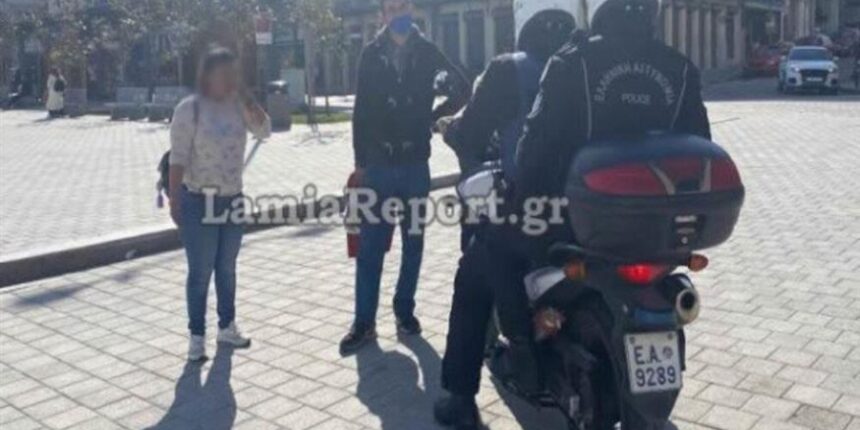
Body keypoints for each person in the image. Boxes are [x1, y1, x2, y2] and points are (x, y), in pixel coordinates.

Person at [433, 6, 579, 429]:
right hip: (590, 215)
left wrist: (449, 129)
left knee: (474, 275)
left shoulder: (508, 70)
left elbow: (471, 133)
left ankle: (462, 398)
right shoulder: (588, 67)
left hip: (532, 214)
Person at [340, 0, 470, 355]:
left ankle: (404, 310)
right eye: (391, 8)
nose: (398, 14)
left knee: (413, 243)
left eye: (403, 6)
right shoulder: (371, 54)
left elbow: (462, 87)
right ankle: (363, 322)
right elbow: (360, 112)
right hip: (378, 166)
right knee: (370, 246)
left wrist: (433, 118)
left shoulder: (428, 52)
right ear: (382, 14)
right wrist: (360, 162)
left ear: (411, 9)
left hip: (415, 165)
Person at [168, 46, 272, 362]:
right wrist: (175, 200)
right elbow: (177, 158)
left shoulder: (239, 106)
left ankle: (227, 327)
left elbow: (264, 131)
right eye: (223, 72)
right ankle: (196, 337)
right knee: (200, 272)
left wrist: (250, 101)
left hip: (232, 200)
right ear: (207, 75)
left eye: (233, 73)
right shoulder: (190, 109)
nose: (228, 79)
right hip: (199, 201)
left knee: (227, 268)